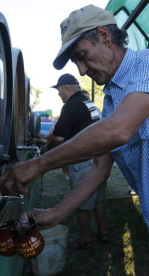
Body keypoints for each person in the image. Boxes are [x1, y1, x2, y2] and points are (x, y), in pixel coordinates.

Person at [0, 5, 149, 275]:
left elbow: (119, 129)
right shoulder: (111, 103)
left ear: (104, 35)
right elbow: (99, 169)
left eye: (82, 56)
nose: (81, 70)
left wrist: (38, 164)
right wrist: (56, 213)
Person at [47, 73, 108, 249]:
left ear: (67, 88)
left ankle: (86, 238)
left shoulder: (72, 105)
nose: (59, 95)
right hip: (99, 158)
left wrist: (46, 150)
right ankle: (102, 232)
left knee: (80, 201)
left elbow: (58, 139)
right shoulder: (89, 103)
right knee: (98, 199)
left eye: (59, 91)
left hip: (83, 160)